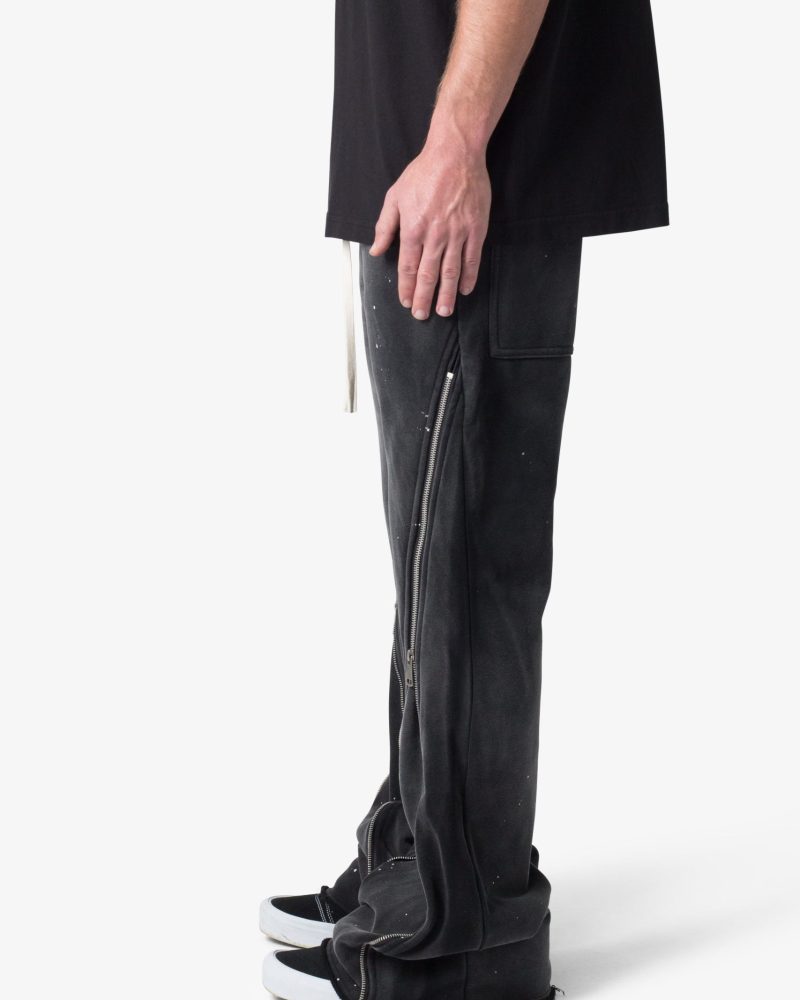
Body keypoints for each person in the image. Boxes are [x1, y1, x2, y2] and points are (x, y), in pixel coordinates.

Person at [261, 1, 668, 997]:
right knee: (431, 556)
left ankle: (465, 934)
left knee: (469, 563)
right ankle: (418, 862)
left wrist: (456, 140)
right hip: (424, 145)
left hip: (476, 159)